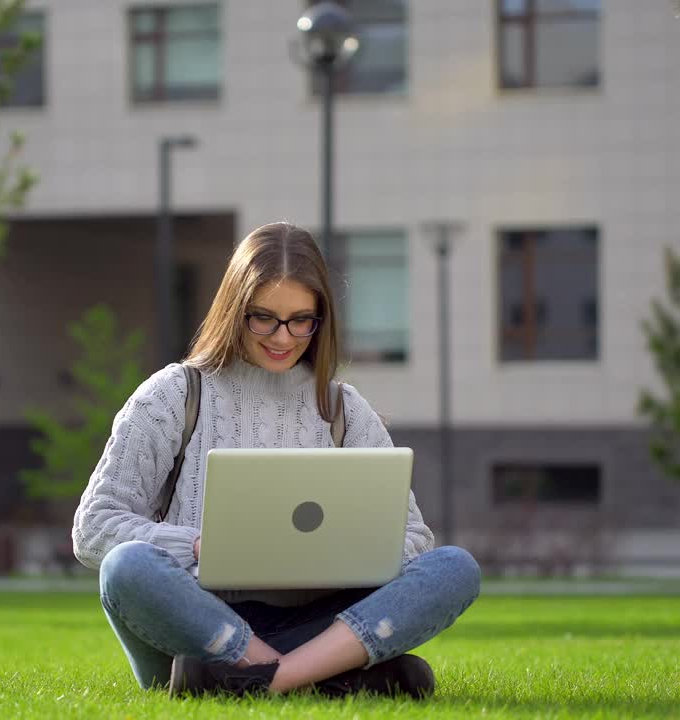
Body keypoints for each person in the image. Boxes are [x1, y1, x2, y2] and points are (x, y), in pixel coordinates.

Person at [72, 222, 481, 698]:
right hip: (200, 621)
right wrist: (202, 546)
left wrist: (345, 551)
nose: (282, 337)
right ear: (233, 309)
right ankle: (329, 677)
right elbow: (94, 527)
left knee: (455, 567)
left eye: (301, 320)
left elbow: (412, 537)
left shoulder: (343, 409)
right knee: (126, 568)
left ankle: (263, 680)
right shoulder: (174, 394)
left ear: (320, 319)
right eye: (263, 317)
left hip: (322, 620)